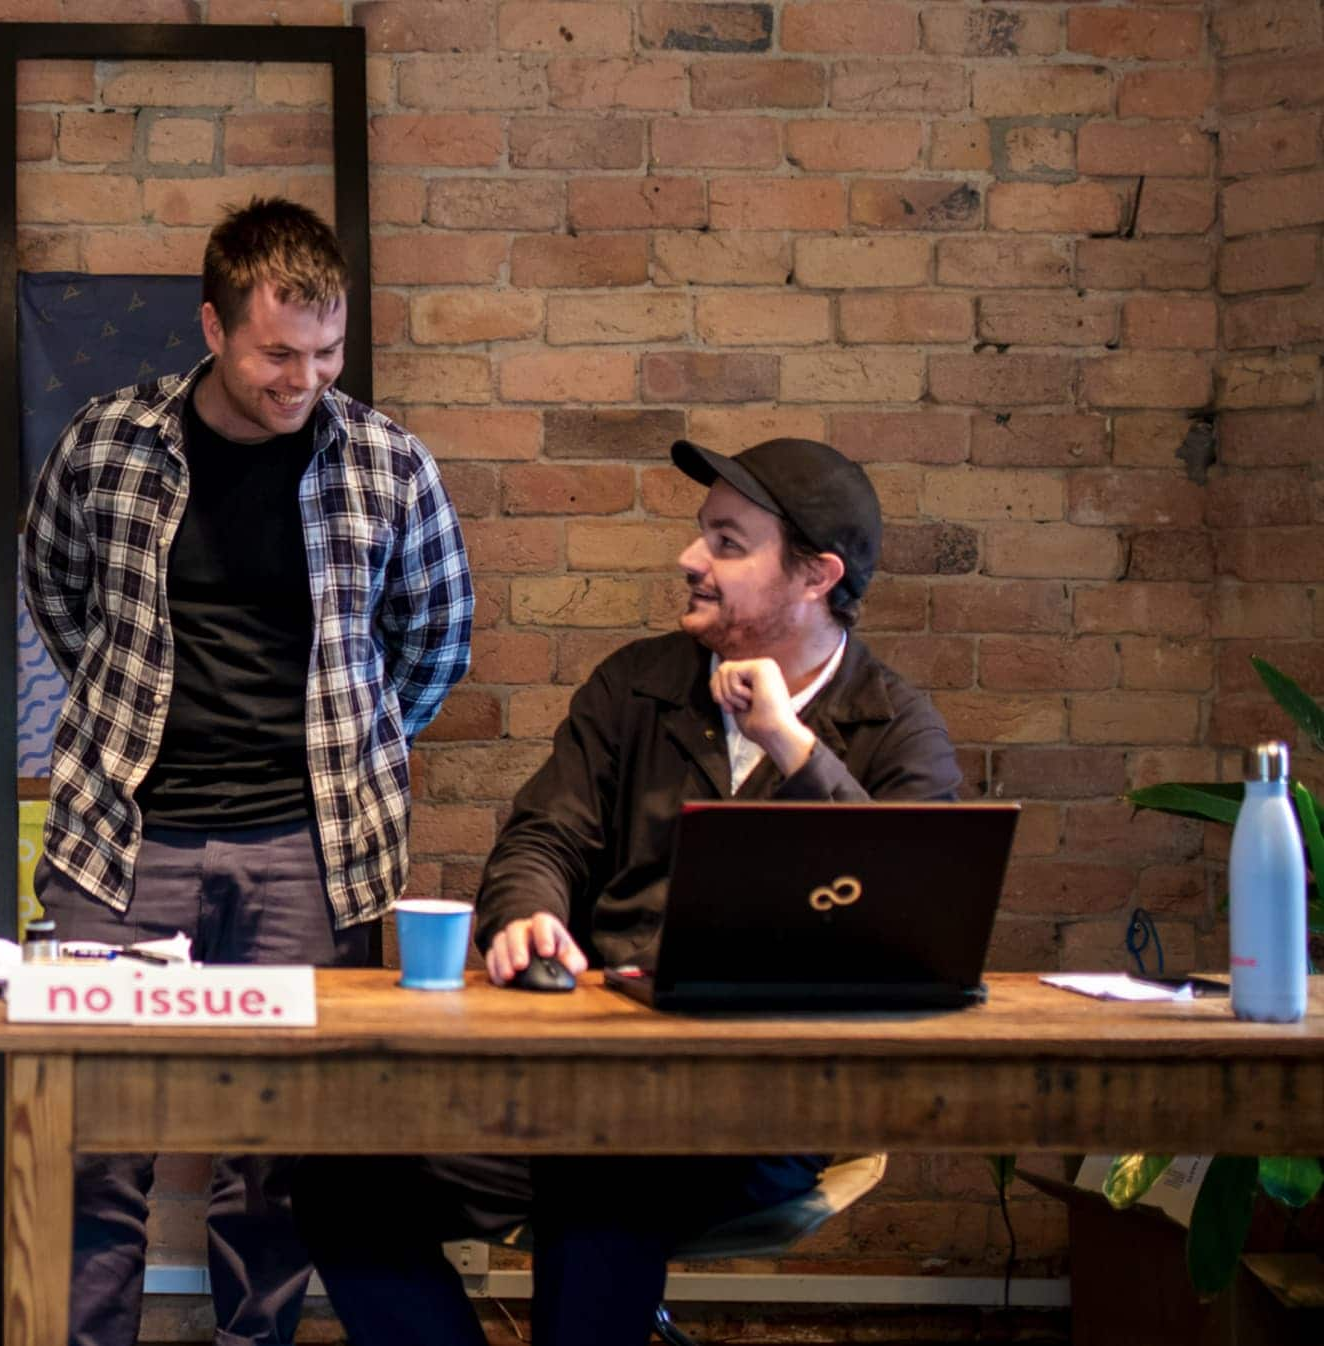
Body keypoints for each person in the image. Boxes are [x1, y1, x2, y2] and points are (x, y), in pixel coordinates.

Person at [292, 436, 962, 1346]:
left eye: (727, 542)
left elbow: (906, 907)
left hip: (771, 1110)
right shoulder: (637, 687)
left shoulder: (894, 725)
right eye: (702, 535)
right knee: (334, 1169)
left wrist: (790, 746)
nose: (691, 559)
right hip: (593, 1079)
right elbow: (544, 835)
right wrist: (528, 912)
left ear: (816, 575)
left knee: (603, 1160)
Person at [21, 197, 474, 1346]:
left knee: (277, 1165)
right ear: (213, 325)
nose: (302, 378)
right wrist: (134, 714)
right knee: (91, 1148)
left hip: (305, 857)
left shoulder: (386, 463)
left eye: (325, 352)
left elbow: (435, 640)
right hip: (122, 847)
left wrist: (347, 751)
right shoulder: (106, 441)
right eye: (277, 351)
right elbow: (58, 590)